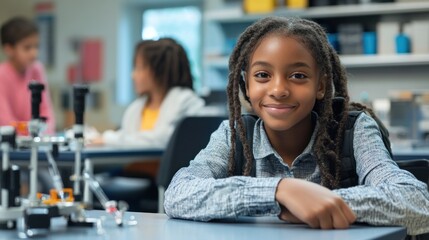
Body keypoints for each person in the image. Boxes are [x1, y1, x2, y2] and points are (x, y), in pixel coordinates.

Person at [164, 17, 429, 235]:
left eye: (298, 76)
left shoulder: (354, 130)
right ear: (246, 85)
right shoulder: (234, 134)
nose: (278, 90)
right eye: (263, 75)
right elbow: (178, 194)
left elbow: (416, 202)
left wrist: (322, 203)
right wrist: (280, 192)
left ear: (321, 85)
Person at [91, 38, 205, 148]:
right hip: (132, 166)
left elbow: (163, 140)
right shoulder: (136, 108)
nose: (133, 76)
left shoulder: (185, 101)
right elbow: (128, 139)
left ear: (159, 71)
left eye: (139, 68)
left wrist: (108, 139)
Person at [0, 17, 55, 134]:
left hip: (34, 139)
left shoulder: (37, 69)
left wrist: (44, 132)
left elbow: (46, 111)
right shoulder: (2, 75)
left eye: (36, 46)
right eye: (27, 47)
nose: (34, 53)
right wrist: (30, 133)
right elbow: (5, 121)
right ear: (9, 49)